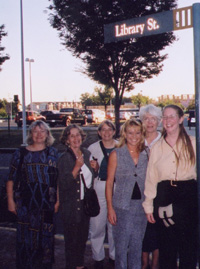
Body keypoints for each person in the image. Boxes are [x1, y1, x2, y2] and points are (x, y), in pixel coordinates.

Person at [143, 104, 197, 269]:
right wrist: (148, 206)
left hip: (188, 197)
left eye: (171, 116)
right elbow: (151, 177)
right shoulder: (157, 147)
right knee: (167, 248)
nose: (167, 121)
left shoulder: (194, 143)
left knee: (188, 247)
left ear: (181, 119)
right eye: (164, 117)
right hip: (164, 196)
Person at [6, 120, 59, 269]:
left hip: (46, 206)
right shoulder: (20, 153)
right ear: (30, 134)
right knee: (25, 241)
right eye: (35, 131)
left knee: (45, 242)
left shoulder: (53, 153)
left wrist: (57, 201)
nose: (39, 134)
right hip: (25, 205)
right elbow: (10, 178)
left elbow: (56, 180)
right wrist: (10, 200)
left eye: (42, 131)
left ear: (47, 134)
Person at [106, 119, 148, 269]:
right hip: (122, 207)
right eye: (130, 132)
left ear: (142, 133)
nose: (134, 136)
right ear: (124, 133)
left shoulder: (147, 153)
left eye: (137, 132)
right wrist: (110, 208)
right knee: (121, 248)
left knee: (137, 247)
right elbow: (109, 183)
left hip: (141, 208)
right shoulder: (116, 154)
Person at [58, 124, 98, 269]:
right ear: (67, 140)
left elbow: (91, 178)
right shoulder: (64, 159)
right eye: (72, 136)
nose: (76, 138)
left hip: (84, 204)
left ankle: (79, 266)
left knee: (81, 239)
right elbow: (63, 184)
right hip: (71, 206)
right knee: (72, 241)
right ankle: (72, 266)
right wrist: (75, 168)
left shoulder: (86, 154)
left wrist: (96, 168)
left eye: (78, 135)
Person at [88, 120, 116, 269]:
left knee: (114, 224)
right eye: (103, 130)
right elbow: (87, 172)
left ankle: (113, 255)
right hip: (99, 186)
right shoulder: (92, 148)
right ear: (99, 132)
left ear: (113, 131)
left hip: (116, 188)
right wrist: (95, 169)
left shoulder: (121, 146)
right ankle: (98, 257)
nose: (106, 132)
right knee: (97, 225)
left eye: (109, 129)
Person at [139, 104, 162, 269]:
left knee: (157, 228)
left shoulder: (164, 140)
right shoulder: (136, 139)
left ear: (158, 121)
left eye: (153, 118)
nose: (149, 122)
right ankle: (143, 262)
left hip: (159, 190)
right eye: (146, 118)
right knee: (141, 228)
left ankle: (155, 263)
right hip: (139, 190)